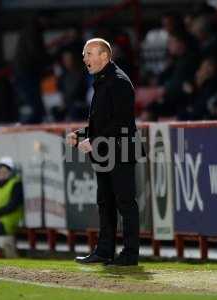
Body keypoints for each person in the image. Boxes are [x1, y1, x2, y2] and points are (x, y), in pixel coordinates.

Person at [66, 38, 142, 266]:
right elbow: (103, 122)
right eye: (84, 54)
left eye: (89, 54)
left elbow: (121, 123)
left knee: (125, 203)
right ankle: (105, 250)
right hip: (107, 150)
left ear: (104, 56)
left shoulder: (117, 81)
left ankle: (130, 254)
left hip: (120, 150)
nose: (84, 59)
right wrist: (81, 134)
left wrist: (94, 139)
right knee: (105, 202)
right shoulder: (103, 79)